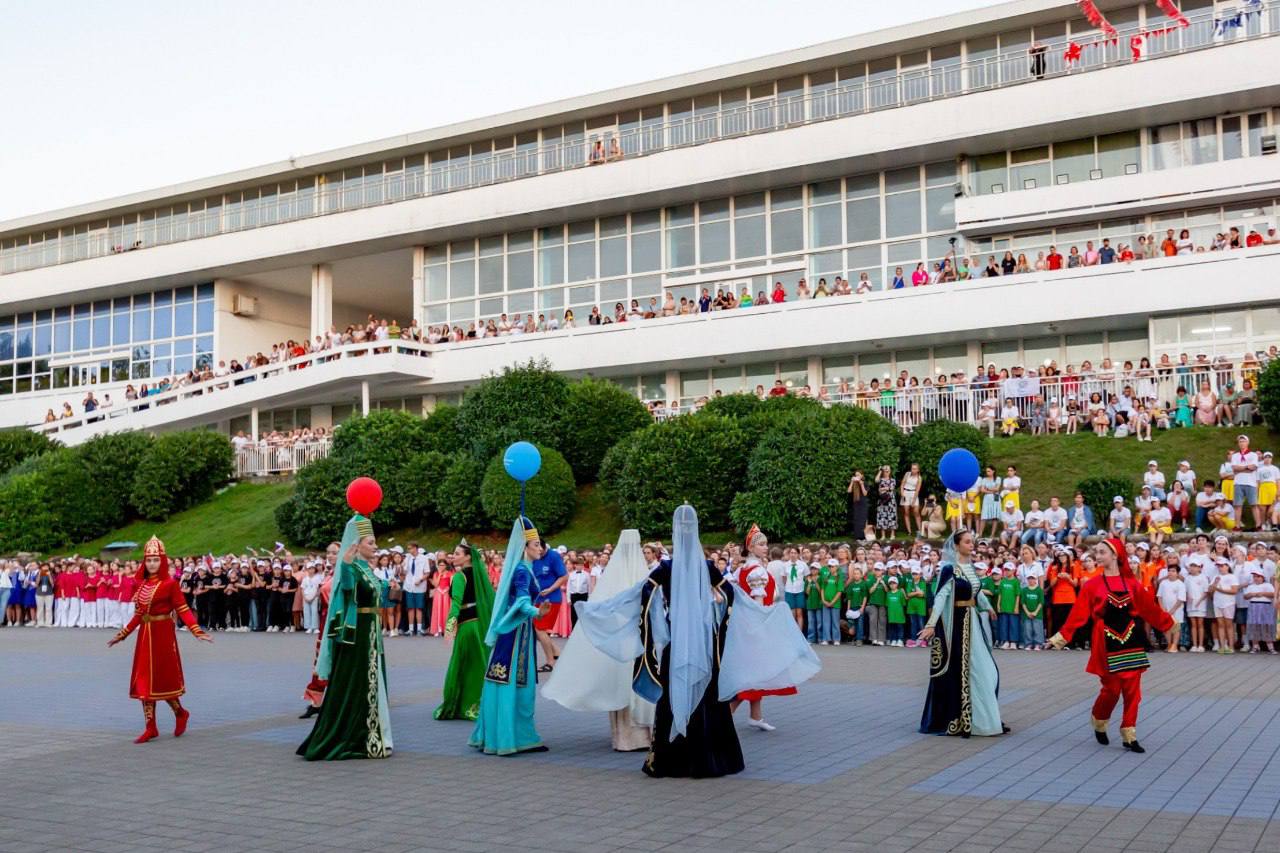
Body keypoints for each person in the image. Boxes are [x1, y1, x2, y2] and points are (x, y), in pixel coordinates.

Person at [575, 504, 819, 778]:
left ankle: (671, 759)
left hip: (675, 643)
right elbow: (730, 595)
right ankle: (711, 757)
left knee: (674, 692)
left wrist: (608, 612)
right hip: (704, 643)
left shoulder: (667, 568)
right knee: (707, 694)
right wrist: (721, 611)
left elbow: (640, 594)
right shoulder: (706, 567)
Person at [1048, 538, 1174, 753]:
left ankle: (1129, 733)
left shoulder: (1131, 583)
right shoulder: (1092, 584)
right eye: (1096, 552)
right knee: (1112, 690)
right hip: (1104, 640)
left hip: (1130, 638)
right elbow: (1078, 614)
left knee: (1133, 691)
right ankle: (1099, 719)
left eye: (1102, 552)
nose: (1097, 556)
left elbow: (1149, 608)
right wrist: (1060, 637)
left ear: (1115, 555)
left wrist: (1168, 623)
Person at [542, 530, 655, 751]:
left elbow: (607, 607)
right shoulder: (644, 577)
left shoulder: (616, 579)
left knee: (622, 682)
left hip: (622, 643)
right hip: (640, 641)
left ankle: (624, 737)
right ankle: (640, 735)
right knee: (636, 683)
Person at [297, 509, 393, 760]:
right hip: (358, 635)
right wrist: (347, 565)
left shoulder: (369, 570)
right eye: (371, 542)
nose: (376, 546)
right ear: (357, 545)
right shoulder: (352, 569)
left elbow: (382, 599)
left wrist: (386, 587)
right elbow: (348, 589)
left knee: (371, 680)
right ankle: (361, 736)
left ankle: (374, 734)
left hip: (372, 633)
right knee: (360, 682)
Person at [106, 536, 212, 743]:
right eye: (148, 560)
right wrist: (122, 635)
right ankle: (150, 727)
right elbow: (139, 614)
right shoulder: (142, 584)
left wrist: (196, 630)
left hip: (163, 635)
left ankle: (180, 713)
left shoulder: (170, 584)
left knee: (163, 679)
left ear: (162, 561)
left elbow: (183, 608)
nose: (152, 564)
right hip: (145, 636)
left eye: (155, 560)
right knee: (144, 680)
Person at [469, 516, 548, 756]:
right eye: (536, 544)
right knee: (513, 682)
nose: (540, 548)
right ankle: (509, 738)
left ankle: (510, 735)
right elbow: (522, 601)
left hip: (518, 633)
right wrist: (537, 611)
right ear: (525, 547)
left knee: (509, 682)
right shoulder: (522, 571)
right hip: (516, 635)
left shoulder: (525, 569)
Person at [917, 530, 1006, 737]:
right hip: (959, 626)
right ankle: (968, 718)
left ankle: (984, 718)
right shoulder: (949, 569)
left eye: (972, 542)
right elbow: (941, 597)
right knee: (968, 669)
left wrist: (988, 607)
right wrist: (931, 624)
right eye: (967, 542)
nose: (971, 545)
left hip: (973, 622)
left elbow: (976, 591)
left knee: (987, 669)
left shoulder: (971, 568)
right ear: (957, 545)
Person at [730, 524, 798, 729]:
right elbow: (757, 604)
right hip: (756, 626)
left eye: (766, 544)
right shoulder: (757, 570)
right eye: (761, 544)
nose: (766, 547)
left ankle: (756, 716)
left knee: (757, 672)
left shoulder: (742, 570)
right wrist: (760, 628)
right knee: (752, 674)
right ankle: (725, 715)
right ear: (751, 548)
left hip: (745, 626)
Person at [434, 541, 495, 722]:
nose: (453, 556)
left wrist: (450, 625)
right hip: (481, 624)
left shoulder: (460, 576)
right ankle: (480, 703)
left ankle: (461, 704)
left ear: (468, 557)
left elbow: (456, 602)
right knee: (479, 664)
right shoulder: (480, 574)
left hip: (467, 626)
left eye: (457, 554)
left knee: (461, 664)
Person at [299, 543, 338, 720]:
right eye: (328, 552)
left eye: (334, 553)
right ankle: (317, 702)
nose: (330, 555)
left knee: (333, 659)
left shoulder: (345, 573)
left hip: (337, 621)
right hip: (326, 619)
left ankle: (335, 701)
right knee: (321, 659)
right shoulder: (330, 573)